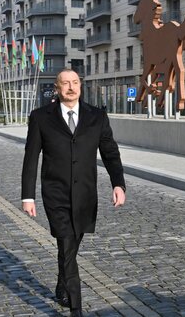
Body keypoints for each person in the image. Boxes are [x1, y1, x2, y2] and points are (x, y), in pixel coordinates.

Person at [21, 68, 127, 317]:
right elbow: (30, 159)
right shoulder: (40, 117)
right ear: (57, 88)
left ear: (81, 85)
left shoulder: (97, 116)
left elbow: (110, 152)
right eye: (65, 83)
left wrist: (118, 184)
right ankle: (76, 309)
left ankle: (62, 282)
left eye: (75, 82)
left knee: (70, 246)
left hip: (85, 195)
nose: (71, 87)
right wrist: (28, 196)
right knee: (67, 242)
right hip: (55, 194)